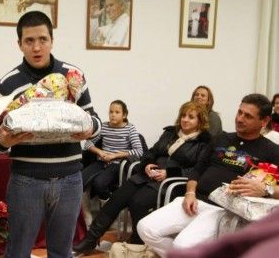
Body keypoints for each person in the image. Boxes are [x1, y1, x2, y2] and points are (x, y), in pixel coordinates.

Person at [0, 11, 101, 258]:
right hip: (26, 180)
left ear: (52, 40)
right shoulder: (8, 83)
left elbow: (95, 121)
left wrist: (89, 128)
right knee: (17, 252)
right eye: (29, 41)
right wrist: (4, 140)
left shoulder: (73, 76)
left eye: (42, 39)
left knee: (62, 252)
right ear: (19, 44)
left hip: (70, 179)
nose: (36, 47)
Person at [137, 94, 279, 258]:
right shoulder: (221, 138)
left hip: (223, 210)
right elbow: (197, 170)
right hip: (194, 200)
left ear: (264, 121)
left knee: (182, 245)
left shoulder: (272, 151)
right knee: (145, 228)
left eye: (248, 116)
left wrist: (266, 189)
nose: (240, 119)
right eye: (239, 112)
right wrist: (190, 193)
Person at [73, 101, 211, 255]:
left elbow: (198, 170)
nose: (185, 119)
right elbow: (151, 151)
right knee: (118, 197)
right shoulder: (170, 133)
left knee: (137, 201)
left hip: (170, 183)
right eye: (183, 115)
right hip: (148, 175)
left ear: (200, 121)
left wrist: (168, 173)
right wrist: (148, 163)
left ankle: (137, 242)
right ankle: (90, 240)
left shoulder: (204, 142)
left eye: (191, 117)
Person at [81, 100, 144, 200]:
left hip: (117, 164)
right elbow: (87, 144)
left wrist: (115, 155)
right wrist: (100, 152)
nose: (113, 115)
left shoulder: (130, 129)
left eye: (117, 112)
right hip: (102, 161)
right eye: (111, 112)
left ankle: (108, 200)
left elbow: (139, 151)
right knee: (81, 180)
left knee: (99, 184)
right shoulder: (104, 126)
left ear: (124, 115)